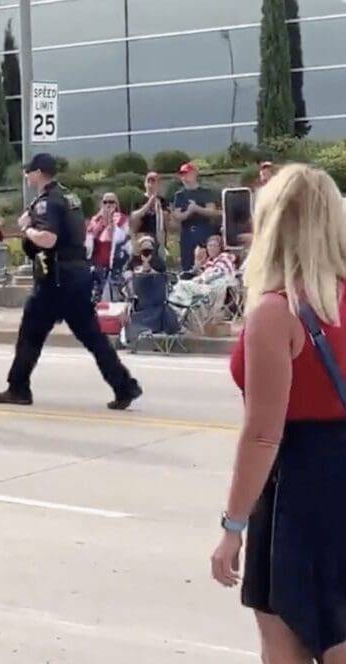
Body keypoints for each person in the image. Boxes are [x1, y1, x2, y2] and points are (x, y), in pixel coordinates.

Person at [210, 164, 346, 664]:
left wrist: (233, 526)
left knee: (286, 638)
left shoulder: (277, 312)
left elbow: (263, 436)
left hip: (299, 487)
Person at [0, 153, 142, 410]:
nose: (26, 176)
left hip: (55, 280)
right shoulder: (69, 197)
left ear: (39, 173)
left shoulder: (47, 203)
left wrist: (25, 229)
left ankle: (18, 388)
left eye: (29, 171)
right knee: (93, 337)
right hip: (76, 276)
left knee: (30, 334)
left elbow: (48, 239)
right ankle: (124, 386)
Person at [172, 162, 221, 272]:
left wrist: (197, 208)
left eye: (186, 173)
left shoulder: (206, 192)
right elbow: (177, 215)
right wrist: (189, 212)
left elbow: (212, 211)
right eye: (182, 174)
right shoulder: (179, 195)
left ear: (194, 174)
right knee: (187, 265)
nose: (184, 177)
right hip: (187, 234)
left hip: (204, 231)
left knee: (206, 263)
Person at [169, 233, 237, 311]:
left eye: (214, 245)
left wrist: (200, 279)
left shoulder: (224, 258)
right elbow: (200, 272)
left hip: (213, 289)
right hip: (206, 288)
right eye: (209, 245)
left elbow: (217, 273)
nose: (211, 248)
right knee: (180, 288)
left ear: (220, 247)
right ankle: (179, 310)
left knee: (181, 285)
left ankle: (177, 310)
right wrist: (197, 266)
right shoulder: (210, 262)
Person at [86, 192, 130, 302]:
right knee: (96, 299)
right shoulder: (95, 220)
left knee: (114, 298)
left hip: (115, 266)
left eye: (111, 202)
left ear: (116, 204)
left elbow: (122, 238)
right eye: (105, 202)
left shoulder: (122, 219)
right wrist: (103, 222)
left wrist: (111, 223)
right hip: (97, 265)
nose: (108, 205)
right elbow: (90, 238)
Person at [130, 171, 169, 248]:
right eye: (148, 181)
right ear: (145, 184)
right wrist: (148, 204)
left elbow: (167, 221)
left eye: (153, 181)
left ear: (158, 184)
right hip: (143, 238)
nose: (150, 184)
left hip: (159, 238)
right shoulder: (139, 199)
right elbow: (133, 216)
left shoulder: (162, 201)